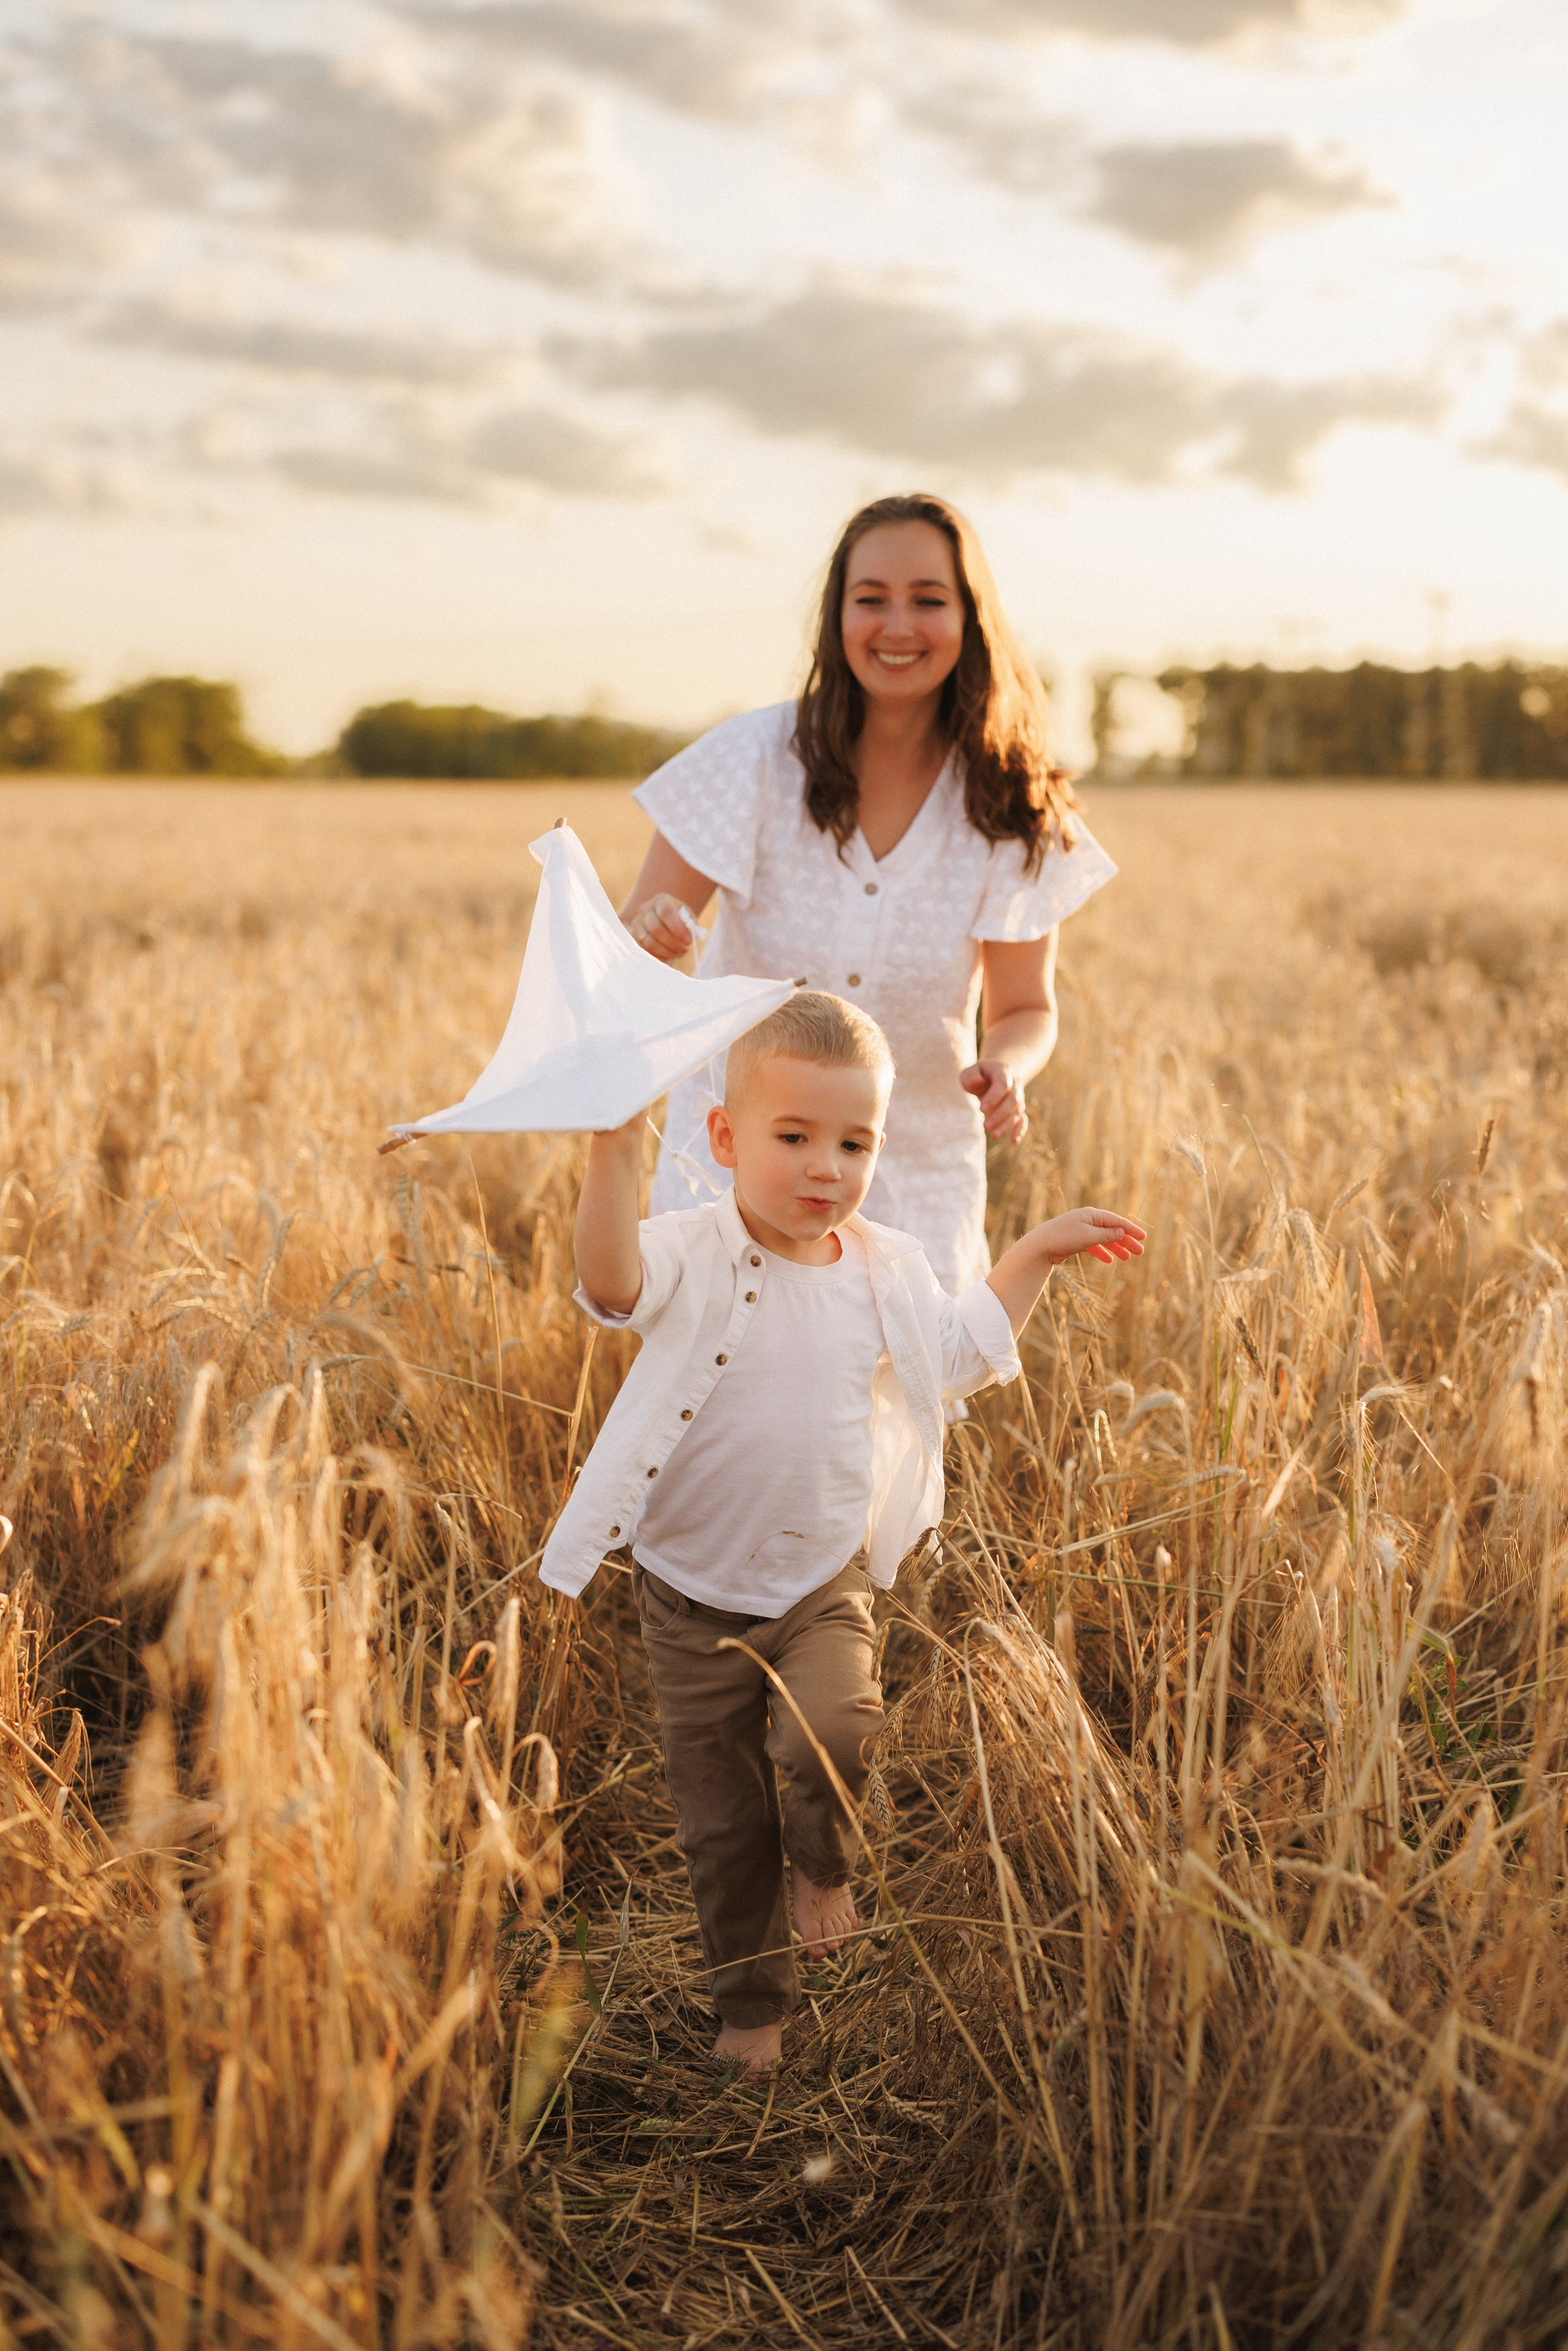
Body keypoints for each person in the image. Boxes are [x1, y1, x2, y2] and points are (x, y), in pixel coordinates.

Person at [539, 991, 1145, 2073]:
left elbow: (956, 1358)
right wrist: (612, 1144)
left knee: (841, 1730)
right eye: (793, 1137)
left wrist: (1034, 1258)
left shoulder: (882, 1271)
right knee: (722, 1828)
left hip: (823, 1580)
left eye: (855, 1141)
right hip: (688, 1599)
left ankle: (825, 1860)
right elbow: (608, 1281)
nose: (826, 1166)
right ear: (723, 1138)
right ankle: (753, 2008)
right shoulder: (692, 1249)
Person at [618, 491, 1118, 1296]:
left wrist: (1008, 1066)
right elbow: (627, 953)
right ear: (836, 616)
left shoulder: (1015, 806)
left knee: (893, 1418)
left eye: (929, 600)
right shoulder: (746, 761)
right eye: (870, 599)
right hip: (733, 1182)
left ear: (971, 618)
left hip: (911, 1190)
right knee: (719, 1410)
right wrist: (653, 933)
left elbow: (1025, 1007)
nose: (897, 626)